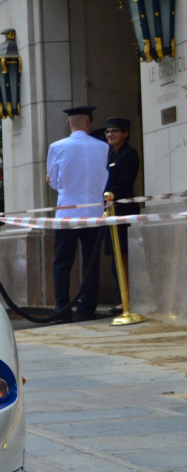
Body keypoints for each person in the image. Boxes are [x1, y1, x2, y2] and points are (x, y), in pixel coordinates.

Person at [46, 106, 109, 321]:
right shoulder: (102, 147)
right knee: (91, 262)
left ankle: (62, 309)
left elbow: (54, 182)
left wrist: (53, 180)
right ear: (88, 123)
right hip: (94, 212)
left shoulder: (57, 147)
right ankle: (87, 308)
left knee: (63, 262)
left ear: (68, 124)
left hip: (67, 212)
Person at [104, 117, 140, 313]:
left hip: (123, 210)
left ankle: (126, 300)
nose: (110, 135)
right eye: (108, 132)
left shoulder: (129, 154)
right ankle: (121, 297)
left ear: (125, 133)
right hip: (112, 211)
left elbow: (123, 183)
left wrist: (108, 196)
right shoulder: (113, 156)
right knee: (114, 259)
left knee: (123, 255)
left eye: (115, 131)